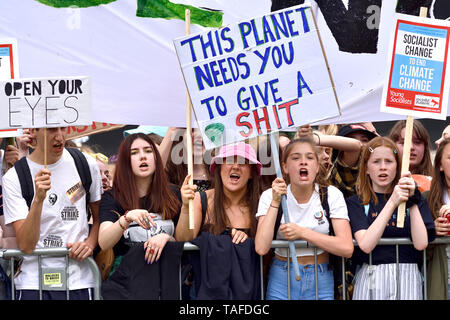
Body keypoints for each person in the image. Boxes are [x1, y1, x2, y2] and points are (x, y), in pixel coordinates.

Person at [2, 127, 102, 300]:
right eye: (51, 129)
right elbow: (26, 245)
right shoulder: (14, 177)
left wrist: (90, 244)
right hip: (33, 284)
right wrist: (38, 200)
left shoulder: (85, 164)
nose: (59, 136)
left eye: (63, 128)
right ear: (33, 131)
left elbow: (99, 218)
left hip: (80, 281)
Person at [255, 137, 353, 300]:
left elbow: (346, 247)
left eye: (309, 157)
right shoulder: (269, 196)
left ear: (316, 166)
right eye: (295, 158)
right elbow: (261, 247)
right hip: (281, 277)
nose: (303, 162)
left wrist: (302, 233)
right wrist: (275, 202)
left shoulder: (331, 195)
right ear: (285, 167)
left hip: (321, 277)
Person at [346, 137, 436, 300]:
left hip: (408, 276)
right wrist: (393, 202)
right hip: (371, 277)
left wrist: (412, 201)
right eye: (376, 162)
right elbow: (366, 244)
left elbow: (421, 243)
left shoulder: (416, 199)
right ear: (366, 168)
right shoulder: (356, 202)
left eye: (389, 161)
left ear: (398, 167)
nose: (383, 167)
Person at [98, 133, 181, 298]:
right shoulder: (113, 197)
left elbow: (186, 237)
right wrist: (126, 218)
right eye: (134, 152)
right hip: (126, 287)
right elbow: (104, 241)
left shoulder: (174, 193)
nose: (142, 156)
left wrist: (167, 238)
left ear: (156, 157)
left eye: (148, 151)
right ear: (125, 161)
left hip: (166, 285)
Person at [177, 141, 263, 300]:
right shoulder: (199, 199)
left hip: (248, 295)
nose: (235, 166)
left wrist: (246, 241)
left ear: (251, 173)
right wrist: (185, 207)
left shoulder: (260, 205)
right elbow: (183, 239)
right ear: (219, 167)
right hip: (204, 292)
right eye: (229, 160)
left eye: (243, 162)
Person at [424, 137, 450, 300]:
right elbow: (418, 250)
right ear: (440, 165)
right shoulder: (427, 199)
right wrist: (431, 230)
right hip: (443, 282)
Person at [388, 120, 433, 192]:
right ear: (393, 147)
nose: (411, 147)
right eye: (404, 142)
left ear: (425, 148)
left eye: (417, 142)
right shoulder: (381, 182)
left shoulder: (438, 182)